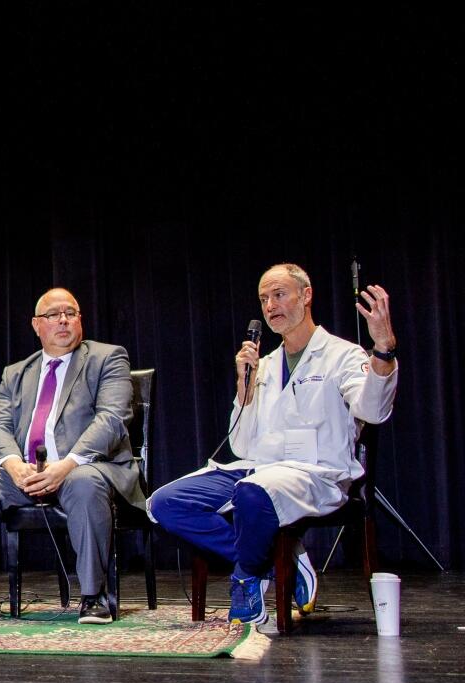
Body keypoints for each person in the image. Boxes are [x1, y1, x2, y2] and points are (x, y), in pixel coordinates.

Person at [147, 263, 398, 626]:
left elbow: (374, 411)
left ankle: (248, 576)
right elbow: (242, 444)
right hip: (258, 470)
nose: (270, 306)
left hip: (316, 472)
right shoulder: (263, 365)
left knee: (252, 491)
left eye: (279, 294)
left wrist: (384, 349)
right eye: (264, 299)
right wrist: (244, 388)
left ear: (306, 295)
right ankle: (283, 566)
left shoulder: (344, 355)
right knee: (165, 503)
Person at [0, 288, 142, 625]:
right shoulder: (16, 373)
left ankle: (93, 595)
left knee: (83, 481)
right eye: (53, 315)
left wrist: (67, 465)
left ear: (80, 320)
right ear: (37, 325)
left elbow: (111, 420)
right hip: (28, 472)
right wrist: (13, 465)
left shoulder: (108, 358)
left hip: (87, 468)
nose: (63, 320)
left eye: (71, 312)